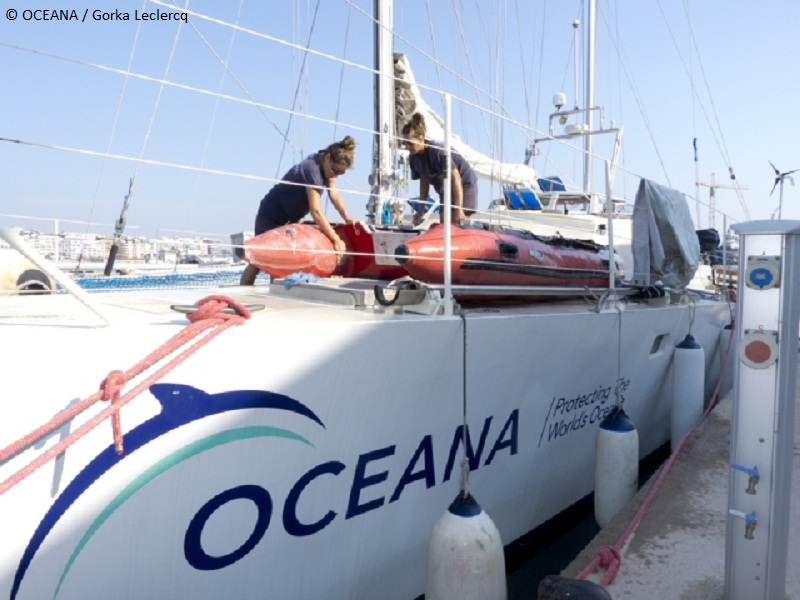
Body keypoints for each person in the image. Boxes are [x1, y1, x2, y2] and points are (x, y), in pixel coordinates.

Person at [240, 136, 356, 285]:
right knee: (256, 262)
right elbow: (316, 211)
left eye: (341, 173)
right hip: (272, 214)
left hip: (290, 218)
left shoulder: (326, 166)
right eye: (335, 170)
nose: (335, 175)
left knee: (283, 262)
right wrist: (336, 239)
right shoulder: (312, 170)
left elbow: (333, 194)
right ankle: (242, 294)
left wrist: (347, 218)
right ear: (328, 157)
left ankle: (276, 297)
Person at [401, 113, 478, 226]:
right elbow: (424, 182)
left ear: (421, 139)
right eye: (404, 143)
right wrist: (421, 210)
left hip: (463, 184)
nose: (407, 147)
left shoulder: (437, 152)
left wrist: (458, 209)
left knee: (458, 221)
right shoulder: (413, 158)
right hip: (445, 189)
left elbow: (456, 177)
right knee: (444, 222)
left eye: (410, 143)